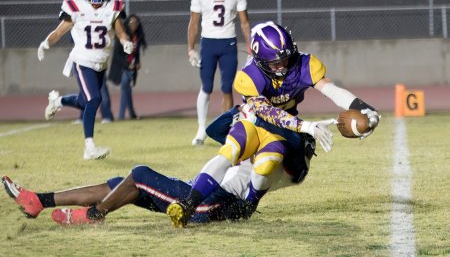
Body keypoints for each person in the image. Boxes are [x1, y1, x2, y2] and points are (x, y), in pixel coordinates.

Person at [166, 21, 380, 228]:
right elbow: (266, 112)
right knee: (229, 151)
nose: (282, 66)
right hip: (253, 121)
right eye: (275, 63)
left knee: (267, 164)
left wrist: (364, 108)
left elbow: (331, 90)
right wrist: (307, 127)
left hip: (281, 130)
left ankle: (248, 206)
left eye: (285, 58)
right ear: (259, 61)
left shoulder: (303, 64)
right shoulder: (249, 75)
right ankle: (188, 204)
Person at [1, 107, 315, 226]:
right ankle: (39, 200)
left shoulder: (288, 160)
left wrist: (272, 117)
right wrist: (244, 109)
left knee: (138, 174)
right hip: (202, 193)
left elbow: (292, 144)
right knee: (120, 183)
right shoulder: (259, 142)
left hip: (213, 203)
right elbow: (215, 130)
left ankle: (94, 216)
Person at [37, 0, 134, 160]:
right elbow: (59, 32)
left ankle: (58, 102)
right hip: (82, 61)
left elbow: (120, 31)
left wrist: (126, 42)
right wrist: (45, 43)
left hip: (101, 62)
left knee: (84, 101)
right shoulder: (76, 7)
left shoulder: (112, 7)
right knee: (94, 99)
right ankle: (89, 147)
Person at [188, 0, 251, 146]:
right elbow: (194, 23)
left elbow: (245, 23)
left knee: (226, 88)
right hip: (208, 43)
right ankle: (201, 129)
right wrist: (190, 49)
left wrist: (251, 47)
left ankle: (227, 130)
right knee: (206, 87)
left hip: (228, 43)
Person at [108, 14, 147, 120]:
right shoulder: (123, 36)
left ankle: (131, 114)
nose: (134, 25)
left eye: (136, 23)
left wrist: (137, 62)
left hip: (132, 67)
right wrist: (127, 64)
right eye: (131, 23)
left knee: (127, 89)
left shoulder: (137, 37)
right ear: (127, 23)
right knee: (125, 87)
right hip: (122, 67)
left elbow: (136, 52)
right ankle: (123, 115)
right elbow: (116, 55)